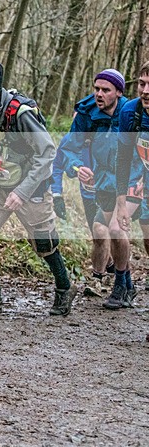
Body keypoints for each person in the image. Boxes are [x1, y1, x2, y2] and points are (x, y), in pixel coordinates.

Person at [0, 59, 76, 315]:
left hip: (32, 186)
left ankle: (64, 287)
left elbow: (48, 152)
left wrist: (22, 191)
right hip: (0, 179)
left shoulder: (22, 115)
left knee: (43, 244)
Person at [60, 69, 142, 305]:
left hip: (133, 180)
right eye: (96, 89)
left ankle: (120, 287)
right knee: (98, 229)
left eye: (105, 90)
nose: (99, 94)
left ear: (118, 92)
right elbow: (68, 148)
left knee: (116, 230)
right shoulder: (88, 114)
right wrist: (77, 168)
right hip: (105, 183)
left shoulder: (132, 114)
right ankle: (125, 285)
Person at [114, 61, 149, 307]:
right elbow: (123, 159)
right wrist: (121, 202)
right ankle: (123, 285)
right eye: (142, 83)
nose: (145, 91)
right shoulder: (130, 111)